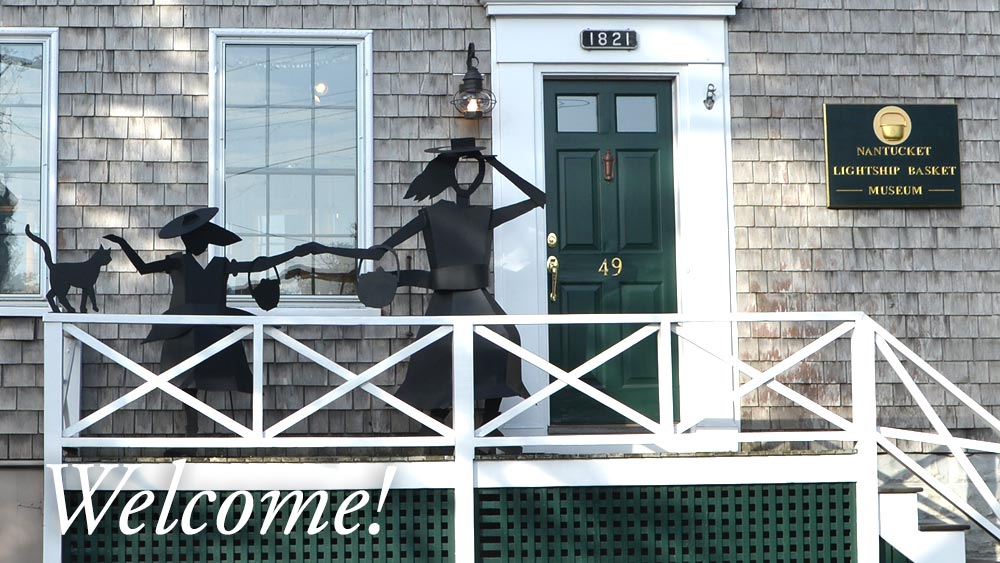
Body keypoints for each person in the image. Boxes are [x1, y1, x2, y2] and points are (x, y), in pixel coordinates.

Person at [309, 138, 546, 441]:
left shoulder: (484, 216)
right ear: (447, 176)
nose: (467, 179)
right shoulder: (431, 216)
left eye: (474, 170)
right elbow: (377, 251)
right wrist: (320, 249)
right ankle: (433, 426)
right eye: (460, 169)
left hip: (480, 302)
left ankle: (488, 423)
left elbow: (538, 197)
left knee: (503, 347)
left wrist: (494, 164)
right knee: (438, 358)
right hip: (445, 302)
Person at [104, 207, 356, 437]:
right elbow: (144, 268)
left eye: (200, 238)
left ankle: (239, 432)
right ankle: (191, 432)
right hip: (184, 330)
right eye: (192, 239)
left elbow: (257, 266)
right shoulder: (177, 262)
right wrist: (123, 243)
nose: (197, 243)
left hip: (214, 331)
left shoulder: (221, 265)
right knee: (185, 380)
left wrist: (292, 253)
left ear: (207, 238)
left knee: (222, 373)